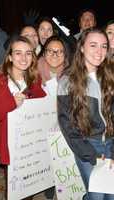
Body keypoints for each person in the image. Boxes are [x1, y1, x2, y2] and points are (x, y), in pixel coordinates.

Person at [57, 28, 114, 200]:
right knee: (96, 196)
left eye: (104, 46)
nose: (99, 51)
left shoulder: (110, 76)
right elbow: (67, 125)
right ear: (81, 47)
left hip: (111, 144)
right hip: (88, 145)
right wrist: (92, 155)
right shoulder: (68, 80)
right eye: (93, 45)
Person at [0, 35, 46, 199]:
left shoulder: (35, 79)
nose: (24, 58)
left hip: (30, 141)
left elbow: (40, 107)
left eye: (28, 53)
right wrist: (11, 103)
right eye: (18, 53)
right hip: (9, 141)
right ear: (10, 57)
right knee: (15, 187)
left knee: (29, 185)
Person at [37, 35, 70, 200]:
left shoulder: (72, 74)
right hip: (41, 124)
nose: (55, 55)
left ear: (65, 54)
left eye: (60, 51)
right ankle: (48, 182)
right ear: (44, 53)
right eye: (51, 51)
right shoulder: (33, 72)